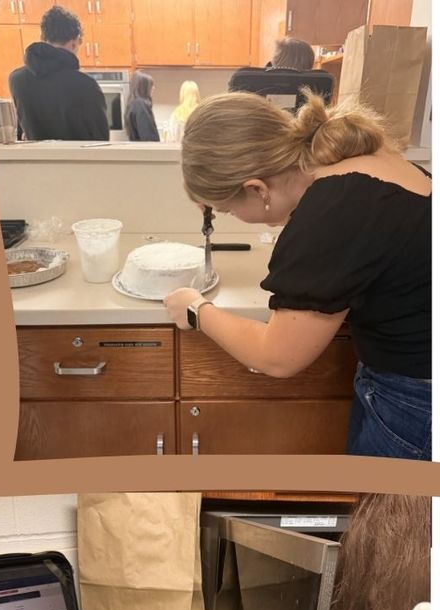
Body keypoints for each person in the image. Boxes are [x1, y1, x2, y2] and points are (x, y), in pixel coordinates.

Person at [164, 91, 431, 459]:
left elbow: (277, 357)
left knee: (390, 515)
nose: (232, 217)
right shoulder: (359, 160)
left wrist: (196, 309)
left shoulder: (332, 213)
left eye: (227, 210)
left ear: (257, 188)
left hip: (416, 403)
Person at [8, 5, 109, 142]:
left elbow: (22, 134)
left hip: (36, 162)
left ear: (42, 38)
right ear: (74, 42)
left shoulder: (16, 80)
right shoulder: (86, 85)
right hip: (77, 162)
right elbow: (100, 142)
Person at [125, 70, 159, 141]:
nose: (153, 88)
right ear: (143, 87)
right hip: (147, 151)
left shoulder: (132, 103)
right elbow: (148, 137)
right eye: (151, 85)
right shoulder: (141, 105)